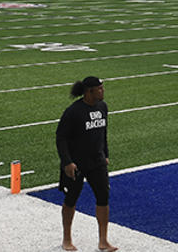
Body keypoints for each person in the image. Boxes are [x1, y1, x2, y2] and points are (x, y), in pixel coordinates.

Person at [56, 76, 116, 252]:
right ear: (89, 92)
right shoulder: (73, 112)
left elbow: (103, 133)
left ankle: (103, 241)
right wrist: (67, 162)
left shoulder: (103, 107)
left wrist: (105, 154)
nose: (103, 91)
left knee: (103, 197)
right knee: (71, 199)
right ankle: (67, 239)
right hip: (77, 164)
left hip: (97, 162)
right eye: (99, 89)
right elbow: (61, 138)